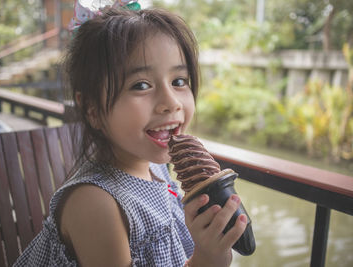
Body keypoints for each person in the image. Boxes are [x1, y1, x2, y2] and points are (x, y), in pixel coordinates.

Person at [14, 1, 247, 266]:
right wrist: (205, 259)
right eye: (141, 85)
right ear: (92, 109)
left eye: (179, 81)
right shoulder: (95, 203)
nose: (171, 102)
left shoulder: (155, 168)